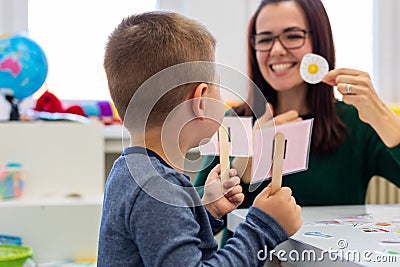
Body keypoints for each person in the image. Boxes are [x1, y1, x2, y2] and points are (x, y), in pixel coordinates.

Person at [97, 11, 302, 266]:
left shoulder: (132, 172)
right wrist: (263, 227)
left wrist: (206, 210)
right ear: (201, 100)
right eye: (218, 87)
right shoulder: (159, 188)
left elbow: (160, 240)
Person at [194, 0, 400, 246]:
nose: (277, 50)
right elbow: (191, 216)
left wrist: (383, 116)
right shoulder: (235, 121)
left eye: (292, 36)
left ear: (319, 41)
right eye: (265, 39)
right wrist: (244, 165)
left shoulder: (356, 122)